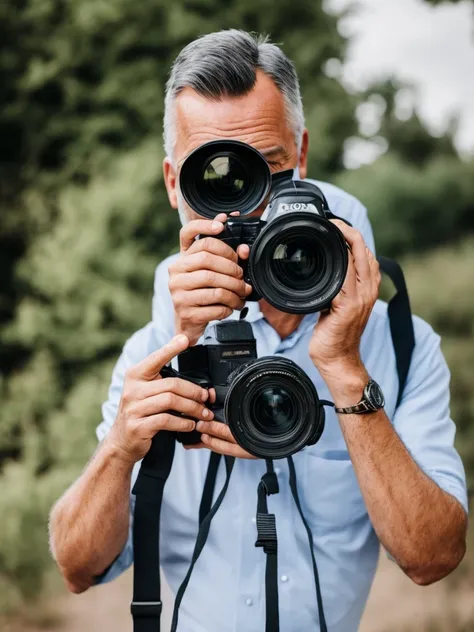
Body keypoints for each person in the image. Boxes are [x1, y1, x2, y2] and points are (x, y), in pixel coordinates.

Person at [49, 30, 468, 632]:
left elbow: (434, 558)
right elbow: (78, 567)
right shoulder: (153, 348)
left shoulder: (399, 342)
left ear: (301, 154)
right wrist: (121, 446)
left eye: (268, 170)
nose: (246, 209)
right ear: (174, 185)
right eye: (215, 178)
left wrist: (346, 372)